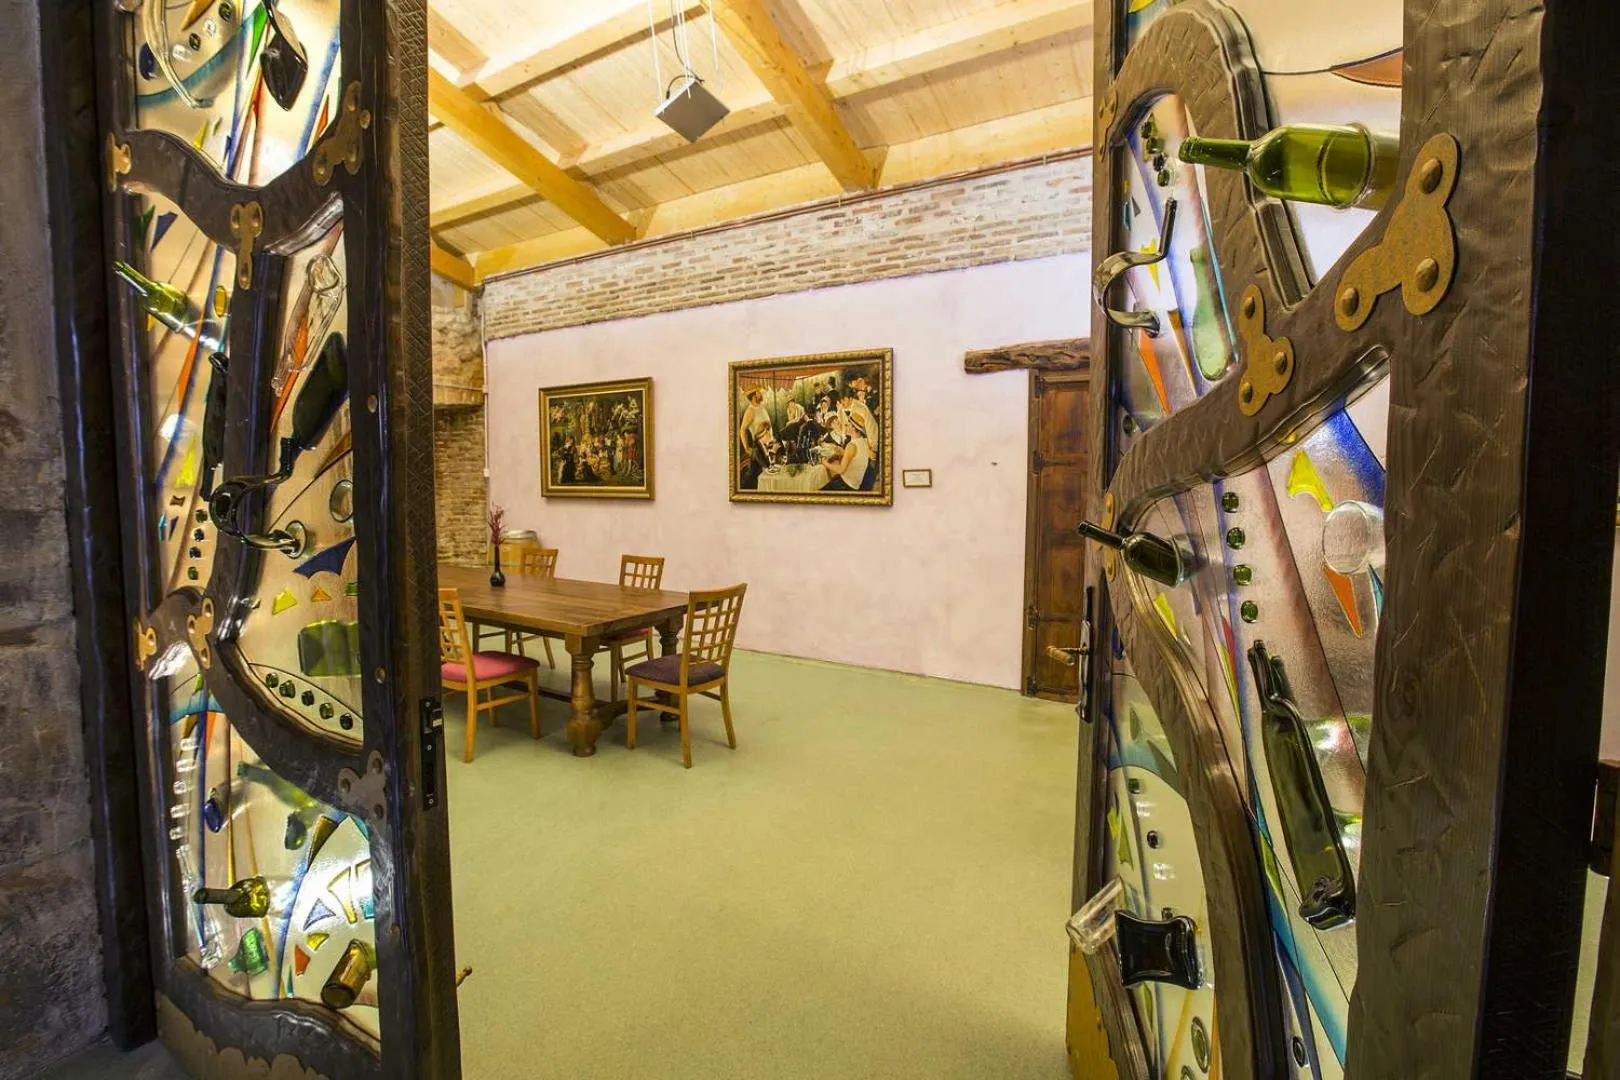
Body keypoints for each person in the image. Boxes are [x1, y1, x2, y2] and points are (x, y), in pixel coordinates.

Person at [823, 406, 874, 492]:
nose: (844, 427)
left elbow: (841, 470)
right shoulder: (863, 441)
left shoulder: (851, 445)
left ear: (853, 428)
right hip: (856, 482)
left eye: (847, 425)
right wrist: (843, 452)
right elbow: (855, 456)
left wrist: (825, 463)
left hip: (848, 484)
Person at [737, 387, 775, 488]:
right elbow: (742, 430)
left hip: (769, 447)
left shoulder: (761, 407)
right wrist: (747, 448)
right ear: (754, 395)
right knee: (763, 476)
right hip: (760, 449)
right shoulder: (750, 411)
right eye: (759, 392)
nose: (761, 393)